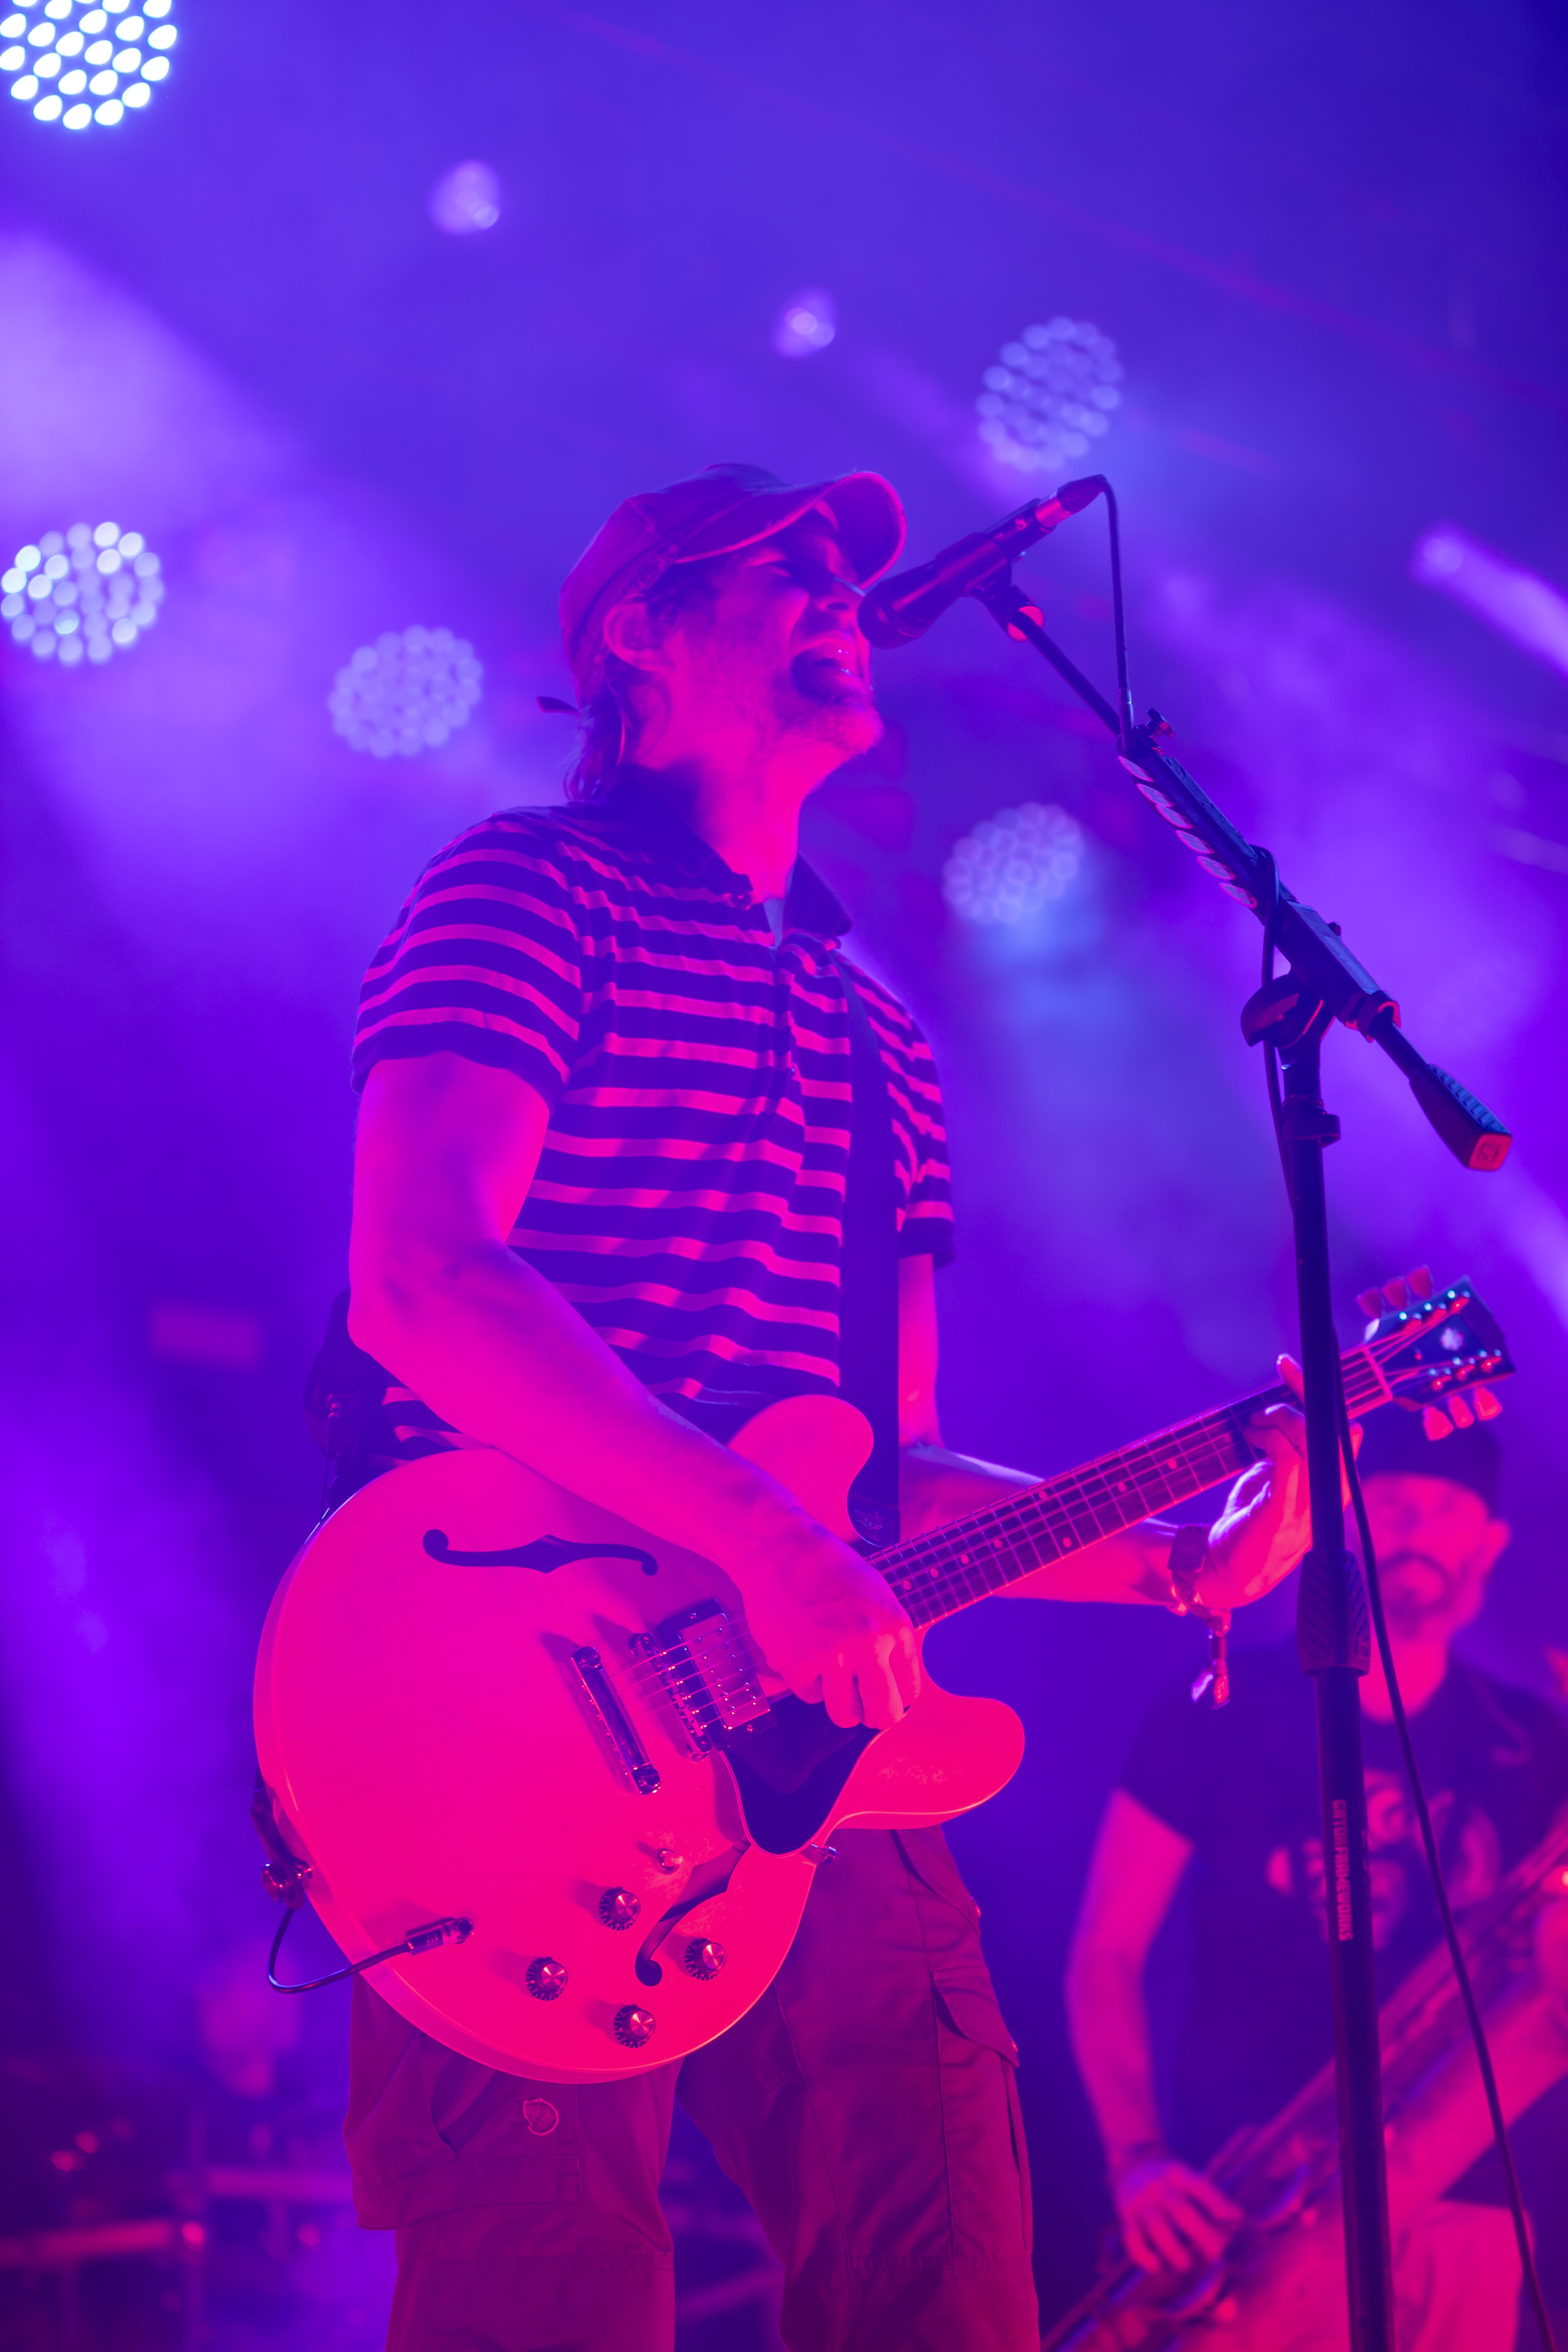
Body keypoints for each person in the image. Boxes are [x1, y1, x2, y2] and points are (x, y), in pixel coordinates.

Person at [340, 460, 1314, 2352]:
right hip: (514, 1708)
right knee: (541, 2301)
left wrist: (1170, 1567)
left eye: (845, 579)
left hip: (820, 1739)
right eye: (779, 570)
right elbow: (422, 1280)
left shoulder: (879, 1040)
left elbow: (889, 1482)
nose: (835, 597)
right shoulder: (521, 892)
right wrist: (766, 1540)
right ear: (638, 634)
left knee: (946, 2296)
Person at [1066, 1304, 1568, 2351]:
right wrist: (1136, 2158)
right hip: (1244, 2202)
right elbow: (1106, 1953)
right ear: (1339, 1522)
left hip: (1473, 2205)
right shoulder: (1213, 1707)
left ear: (1493, 1545)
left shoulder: (1540, 1742)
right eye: (1392, 1505)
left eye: (1445, 1510)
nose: (1420, 1533)